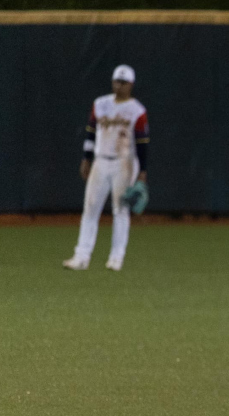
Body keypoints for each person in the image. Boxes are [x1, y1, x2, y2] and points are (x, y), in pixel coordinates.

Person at [63, 64, 149, 272]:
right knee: (90, 208)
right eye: (117, 82)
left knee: (120, 209)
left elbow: (142, 142)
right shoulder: (100, 104)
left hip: (124, 162)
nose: (119, 86)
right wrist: (86, 158)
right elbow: (91, 132)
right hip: (101, 160)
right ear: (112, 82)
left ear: (131, 85)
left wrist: (142, 172)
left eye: (124, 82)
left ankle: (116, 258)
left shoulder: (137, 110)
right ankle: (81, 256)